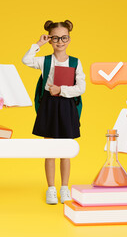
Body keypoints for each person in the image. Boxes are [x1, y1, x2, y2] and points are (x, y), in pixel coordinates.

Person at [22, 20, 86, 205]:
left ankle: (64, 188)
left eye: (64, 37)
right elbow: (26, 60)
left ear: (69, 39)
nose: (60, 41)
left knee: (65, 149)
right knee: (49, 149)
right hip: (49, 105)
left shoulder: (75, 62)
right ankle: (51, 189)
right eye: (55, 38)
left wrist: (62, 90)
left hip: (66, 105)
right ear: (50, 40)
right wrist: (38, 44)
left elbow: (81, 87)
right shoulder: (44, 60)